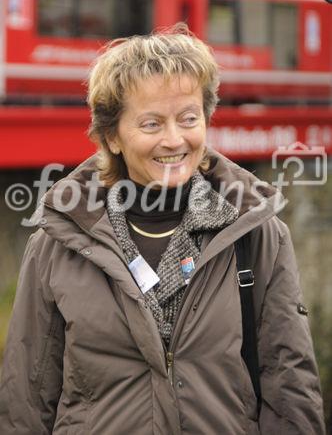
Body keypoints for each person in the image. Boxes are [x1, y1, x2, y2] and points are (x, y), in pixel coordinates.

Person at [0, 24, 325, 434]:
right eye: (151, 124)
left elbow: (290, 388)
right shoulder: (55, 245)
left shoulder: (258, 235)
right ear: (111, 137)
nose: (175, 140)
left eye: (188, 119)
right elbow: (26, 401)